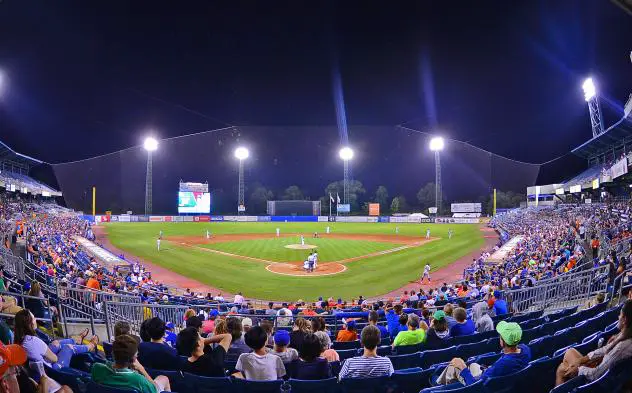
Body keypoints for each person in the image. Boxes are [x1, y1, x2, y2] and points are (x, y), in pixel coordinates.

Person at [555, 299, 632, 386]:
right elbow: (604, 350)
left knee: (561, 369)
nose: (618, 317)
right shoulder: (625, 336)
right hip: (605, 371)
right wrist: (581, 361)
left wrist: (579, 368)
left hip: (597, 383)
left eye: (620, 314)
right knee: (570, 352)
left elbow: (595, 375)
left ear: (625, 319)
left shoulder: (622, 346)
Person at [445, 321, 531, 386]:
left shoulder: (503, 364)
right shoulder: (526, 349)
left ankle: (439, 386)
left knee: (455, 365)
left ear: (503, 341)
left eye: (500, 336)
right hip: (491, 374)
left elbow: (475, 386)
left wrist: (463, 368)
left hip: (482, 384)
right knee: (473, 365)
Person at [14, 310, 97, 370]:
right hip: (53, 370)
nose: (36, 319)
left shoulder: (21, 340)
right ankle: (90, 346)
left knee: (56, 343)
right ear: (30, 324)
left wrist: (55, 346)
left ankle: (78, 339)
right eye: (34, 318)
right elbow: (55, 359)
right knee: (68, 347)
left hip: (44, 366)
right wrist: (60, 349)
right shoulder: (33, 340)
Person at [92, 334, 171, 393]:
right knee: (163, 378)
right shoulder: (138, 380)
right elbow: (154, 390)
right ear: (134, 359)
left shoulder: (97, 368)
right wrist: (142, 369)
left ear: (113, 353)